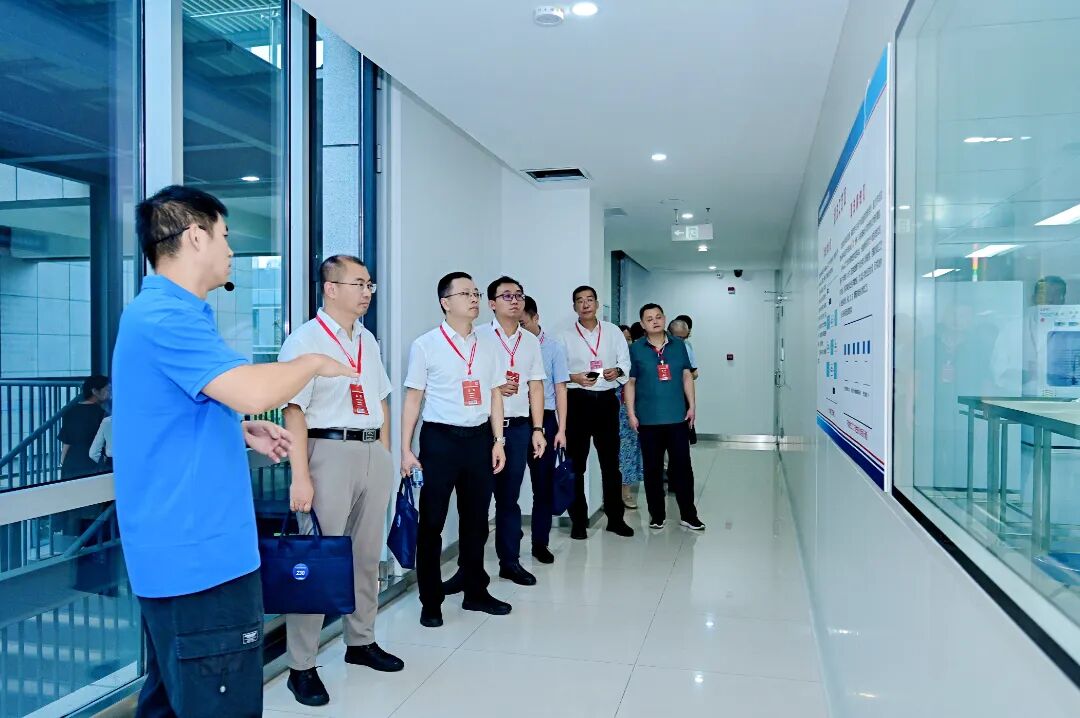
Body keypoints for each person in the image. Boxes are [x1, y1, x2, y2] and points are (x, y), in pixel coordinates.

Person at [112, 185, 356, 718]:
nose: (230, 249)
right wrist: (313, 362)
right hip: (199, 559)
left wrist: (238, 429)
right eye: (225, 235)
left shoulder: (173, 313)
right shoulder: (166, 317)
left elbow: (176, 411)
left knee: (172, 703)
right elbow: (250, 389)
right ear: (195, 237)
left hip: (183, 554)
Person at [277, 255, 403, 707]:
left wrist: (384, 452)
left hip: (370, 451)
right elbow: (293, 410)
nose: (367, 291)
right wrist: (300, 476)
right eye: (359, 284)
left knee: (366, 557)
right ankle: (301, 666)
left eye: (370, 284)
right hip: (326, 452)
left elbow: (381, 397)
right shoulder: (305, 340)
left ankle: (361, 641)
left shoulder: (366, 339)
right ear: (330, 288)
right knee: (316, 561)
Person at [401, 271, 510, 629]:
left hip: (479, 439)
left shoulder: (488, 344)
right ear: (445, 302)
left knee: (476, 521)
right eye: (466, 293)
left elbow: (495, 394)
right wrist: (405, 449)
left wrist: (498, 440)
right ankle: (430, 601)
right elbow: (413, 398)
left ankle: (475, 591)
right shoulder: (426, 345)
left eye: (476, 293)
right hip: (440, 441)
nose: (474, 298)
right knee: (431, 523)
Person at [444, 277, 546, 593]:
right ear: (491, 303)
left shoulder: (530, 341)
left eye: (519, 295)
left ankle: (509, 562)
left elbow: (536, 386)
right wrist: (495, 388)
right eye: (506, 296)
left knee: (508, 499)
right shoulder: (478, 336)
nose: (514, 301)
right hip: (482, 429)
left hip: (518, 428)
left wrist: (538, 428)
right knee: (474, 502)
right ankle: (467, 569)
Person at [560, 285, 634, 539]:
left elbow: (625, 362)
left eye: (589, 299)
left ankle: (615, 519)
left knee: (610, 464)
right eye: (580, 300)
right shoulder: (564, 336)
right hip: (577, 402)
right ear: (574, 306)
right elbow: (557, 371)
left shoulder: (612, 331)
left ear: (597, 303)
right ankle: (578, 522)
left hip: (606, 402)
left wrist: (618, 372)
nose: (585, 304)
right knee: (576, 465)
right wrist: (575, 378)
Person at [626, 303, 705, 531]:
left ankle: (688, 515)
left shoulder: (679, 346)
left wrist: (692, 406)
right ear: (643, 324)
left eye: (658, 317)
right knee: (652, 469)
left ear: (664, 319)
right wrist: (631, 413)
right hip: (648, 420)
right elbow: (630, 383)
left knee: (683, 468)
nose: (655, 321)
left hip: (677, 418)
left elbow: (686, 376)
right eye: (649, 319)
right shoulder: (635, 349)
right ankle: (657, 515)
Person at [519, 295, 569, 563]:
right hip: (515, 420)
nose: (519, 328)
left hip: (546, 420)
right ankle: (510, 537)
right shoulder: (509, 345)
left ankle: (540, 542)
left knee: (542, 485)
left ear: (536, 318)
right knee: (507, 486)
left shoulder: (553, 348)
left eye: (523, 323)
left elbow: (561, 389)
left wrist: (562, 429)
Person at [60, 375, 110, 480]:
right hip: (92, 465)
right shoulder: (102, 415)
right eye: (107, 390)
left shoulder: (70, 411)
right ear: (95, 391)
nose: (109, 393)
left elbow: (66, 443)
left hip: (71, 463)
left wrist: (63, 463)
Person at [617, 327, 643, 509]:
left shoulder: (635, 359)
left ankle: (626, 492)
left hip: (630, 413)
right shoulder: (610, 359)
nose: (627, 342)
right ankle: (610, 494)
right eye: (623, 339)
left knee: (629, 452)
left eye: (628, 338)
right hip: (612, 411)